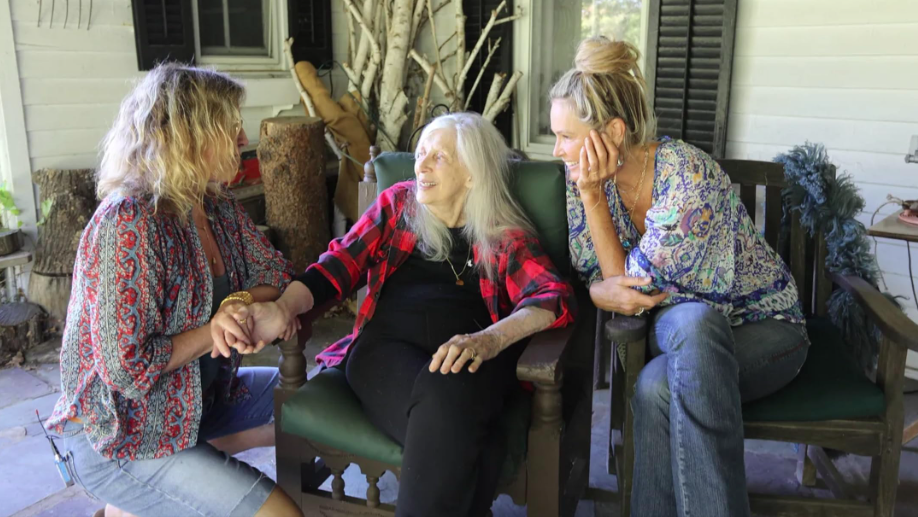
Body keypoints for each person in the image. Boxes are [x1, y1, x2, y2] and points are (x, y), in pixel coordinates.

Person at [223, 112, 576, 517]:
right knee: (473, 436)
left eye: (438, 157)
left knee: (451, 392)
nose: (420, 166)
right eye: (420, 154)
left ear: (472, 174)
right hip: (383, 353)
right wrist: (283, 307)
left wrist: (488, 340)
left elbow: (553, 297)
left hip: (470, 362)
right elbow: (337, 265)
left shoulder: (502, 233)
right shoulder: (398, 205)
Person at [549, 37, 810, 517]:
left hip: (765, 327)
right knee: (692, 325)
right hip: (682, 328)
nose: (557, 150)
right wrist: (597, 283)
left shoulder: (688, 179)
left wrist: (594, 203)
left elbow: (628, 291)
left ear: (613, 132)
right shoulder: (579, 177)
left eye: (566, 136)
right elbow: (596, 273)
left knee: (659, 383)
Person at [45, 64, 303, 517]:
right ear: (190, 136)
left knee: (305, 409)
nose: (243, 138)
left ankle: (155, 495)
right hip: (121, 435)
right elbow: (126, 369)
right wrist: (214, 330)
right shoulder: (130, 222)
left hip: (197, 402)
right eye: (231, 127)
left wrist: (237, 304)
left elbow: (276, 274)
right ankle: (145, 491)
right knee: (280, 513)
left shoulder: (215, 205)